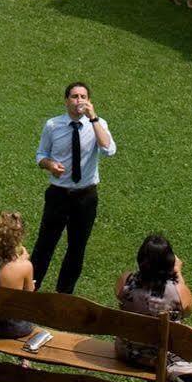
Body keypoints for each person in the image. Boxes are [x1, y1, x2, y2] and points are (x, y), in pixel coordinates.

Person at [32, 82, 115, 295]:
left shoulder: (98, 124)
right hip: (58, 194)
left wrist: (94, 118)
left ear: (89, 101)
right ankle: (30, 288)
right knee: (45, 244)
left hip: (85, 197)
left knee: (77, 248)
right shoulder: (53, 125)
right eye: (75, 96)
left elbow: (108, 149)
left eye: (83, 96)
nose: (79, 100)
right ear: (66, 100)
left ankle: (63, 295)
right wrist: (49, 165)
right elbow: (40, 155)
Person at [113, 233, 192, 369]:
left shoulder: (125, 281)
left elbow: (120, 294)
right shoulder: (178, 292)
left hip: (126, 352)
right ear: (170, 262)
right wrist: (178, 271)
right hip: (160, 359)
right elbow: (187, 311)